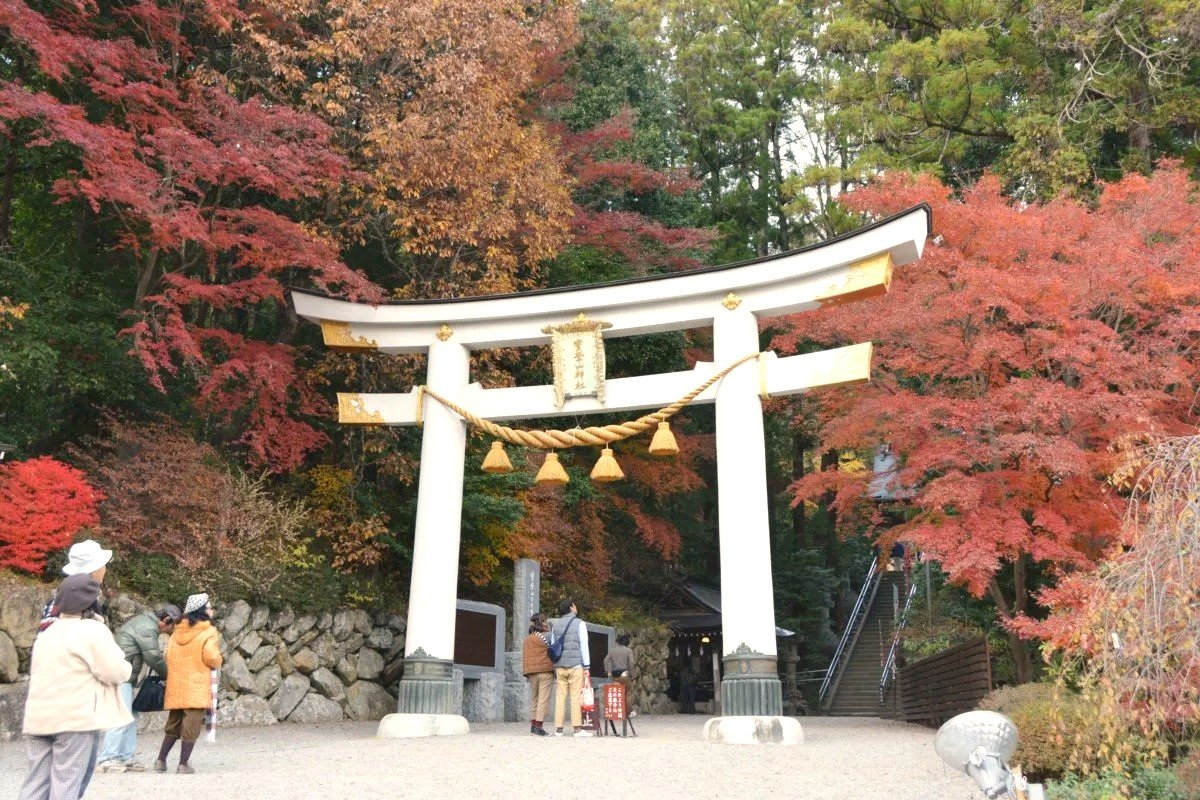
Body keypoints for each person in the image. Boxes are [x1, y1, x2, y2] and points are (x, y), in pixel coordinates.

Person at [18, 574, 132, 800]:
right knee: (66, 785)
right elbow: (116, 672)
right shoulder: (92, 631)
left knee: (35, 784)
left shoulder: (47, 632)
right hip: (74, 720)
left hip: (39, 717)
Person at [96, 603, 182, 773]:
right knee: (122, 716)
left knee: (130, 716)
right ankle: (107, 759)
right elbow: (153, 657)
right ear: (165, 620)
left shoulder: (145, 623)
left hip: (124, 676)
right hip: (120, 676)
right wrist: (171, 676)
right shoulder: (146, 627)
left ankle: (125, 757)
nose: (170, 631)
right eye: (172, 626)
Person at [156, 593, 222, 774]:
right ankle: (183, 764)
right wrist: (218, 660)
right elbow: (210, 656)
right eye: (209, 607)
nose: (211, 610)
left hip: (177, 684)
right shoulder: (208, 631)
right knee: (191, 726)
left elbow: (167, 656)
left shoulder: (177, 630)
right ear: (202, 610)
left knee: (173, 723)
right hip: (196, 685)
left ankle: (160, 760)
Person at [39, 540, 113, 634]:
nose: (105, 569)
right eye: (103, 565)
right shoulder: (76, 600)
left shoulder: (65, 595)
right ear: (94, 570)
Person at [549, 598, 590, 737]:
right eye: (574, 605)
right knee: (575, 696)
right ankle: (577, 729)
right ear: (571, 608)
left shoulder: (556, 625)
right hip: (576, 666)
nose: (576, 607)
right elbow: (584, 646)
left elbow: (554, 645)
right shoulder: (580, 624)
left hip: (560, 666)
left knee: (560, 697)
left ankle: (558, 729)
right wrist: (587, 666)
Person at [521, 613, 553, 737]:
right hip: (545, 670)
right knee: (543, 700)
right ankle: (539, 727)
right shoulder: (545, 636)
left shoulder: (528, 639)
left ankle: (533, 726)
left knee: (534, 699)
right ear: (542, 622)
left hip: (531, 672)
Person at [603, 633, 636, 718]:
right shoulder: (628, 650)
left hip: (615, 676)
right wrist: (630, 672)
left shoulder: (612, 650)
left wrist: (608, 672)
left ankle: (618, 712)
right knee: (627, 693)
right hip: (624, 674)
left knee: (617, 693)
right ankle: (629, 712)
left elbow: (606, 660)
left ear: (618, 642)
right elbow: (631, 662)